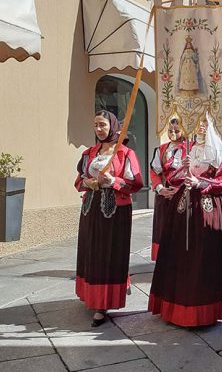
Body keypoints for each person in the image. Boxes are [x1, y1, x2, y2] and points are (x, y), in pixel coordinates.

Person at [149, 115, 222, 327]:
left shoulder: (221, 151)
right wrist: (183, 172)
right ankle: (176, 307)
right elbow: (172, 174)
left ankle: (203, 311)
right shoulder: (188, 148)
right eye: (197, 122)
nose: (200, 126)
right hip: (183, 204)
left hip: (208, 207)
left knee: (204, 256)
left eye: (204, 121)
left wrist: (200, 182)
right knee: (178, 254)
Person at [75, 110, 144, 327]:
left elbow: (136, 184)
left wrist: (113, 180)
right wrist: (88, 183)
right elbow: (78, 181)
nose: (98, 129)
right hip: (90, 208)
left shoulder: (125, 153)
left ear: (113, 126)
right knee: (91, 251)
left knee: (109, 253)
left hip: (115, 211)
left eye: (103, 125)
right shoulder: (89, 153)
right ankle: (91, 295)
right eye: (96, 125)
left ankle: (103, 304)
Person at [149, 118, 187, 261]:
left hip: (183, 194)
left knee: (181, 227)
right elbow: (154, 172)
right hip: (164, 193)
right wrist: (160, 188)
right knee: (163, 226)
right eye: (170, 131)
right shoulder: (162, 149)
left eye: (176, 131)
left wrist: (180, 190)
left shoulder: (191, 148)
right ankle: (164, 258)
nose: (173, 133)